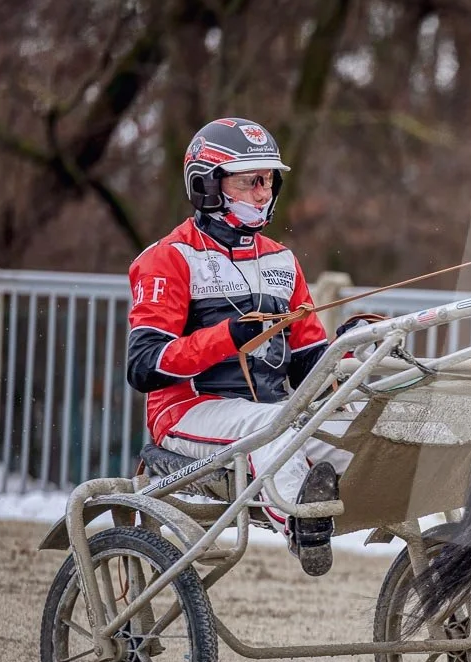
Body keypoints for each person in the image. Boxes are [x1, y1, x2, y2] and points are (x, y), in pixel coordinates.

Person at [126, 117, 347, 576]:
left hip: (269, 413)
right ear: (207, 186)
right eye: (250, 182)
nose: (264, 194)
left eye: (267, 181)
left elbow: (307, 366)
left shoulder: (281, 259)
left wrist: (344, 357)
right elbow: (144, 366)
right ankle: (301, 524)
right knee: (276, 425)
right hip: (187, 411)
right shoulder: (168, 258)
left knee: (356, 425)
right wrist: (228, 337)